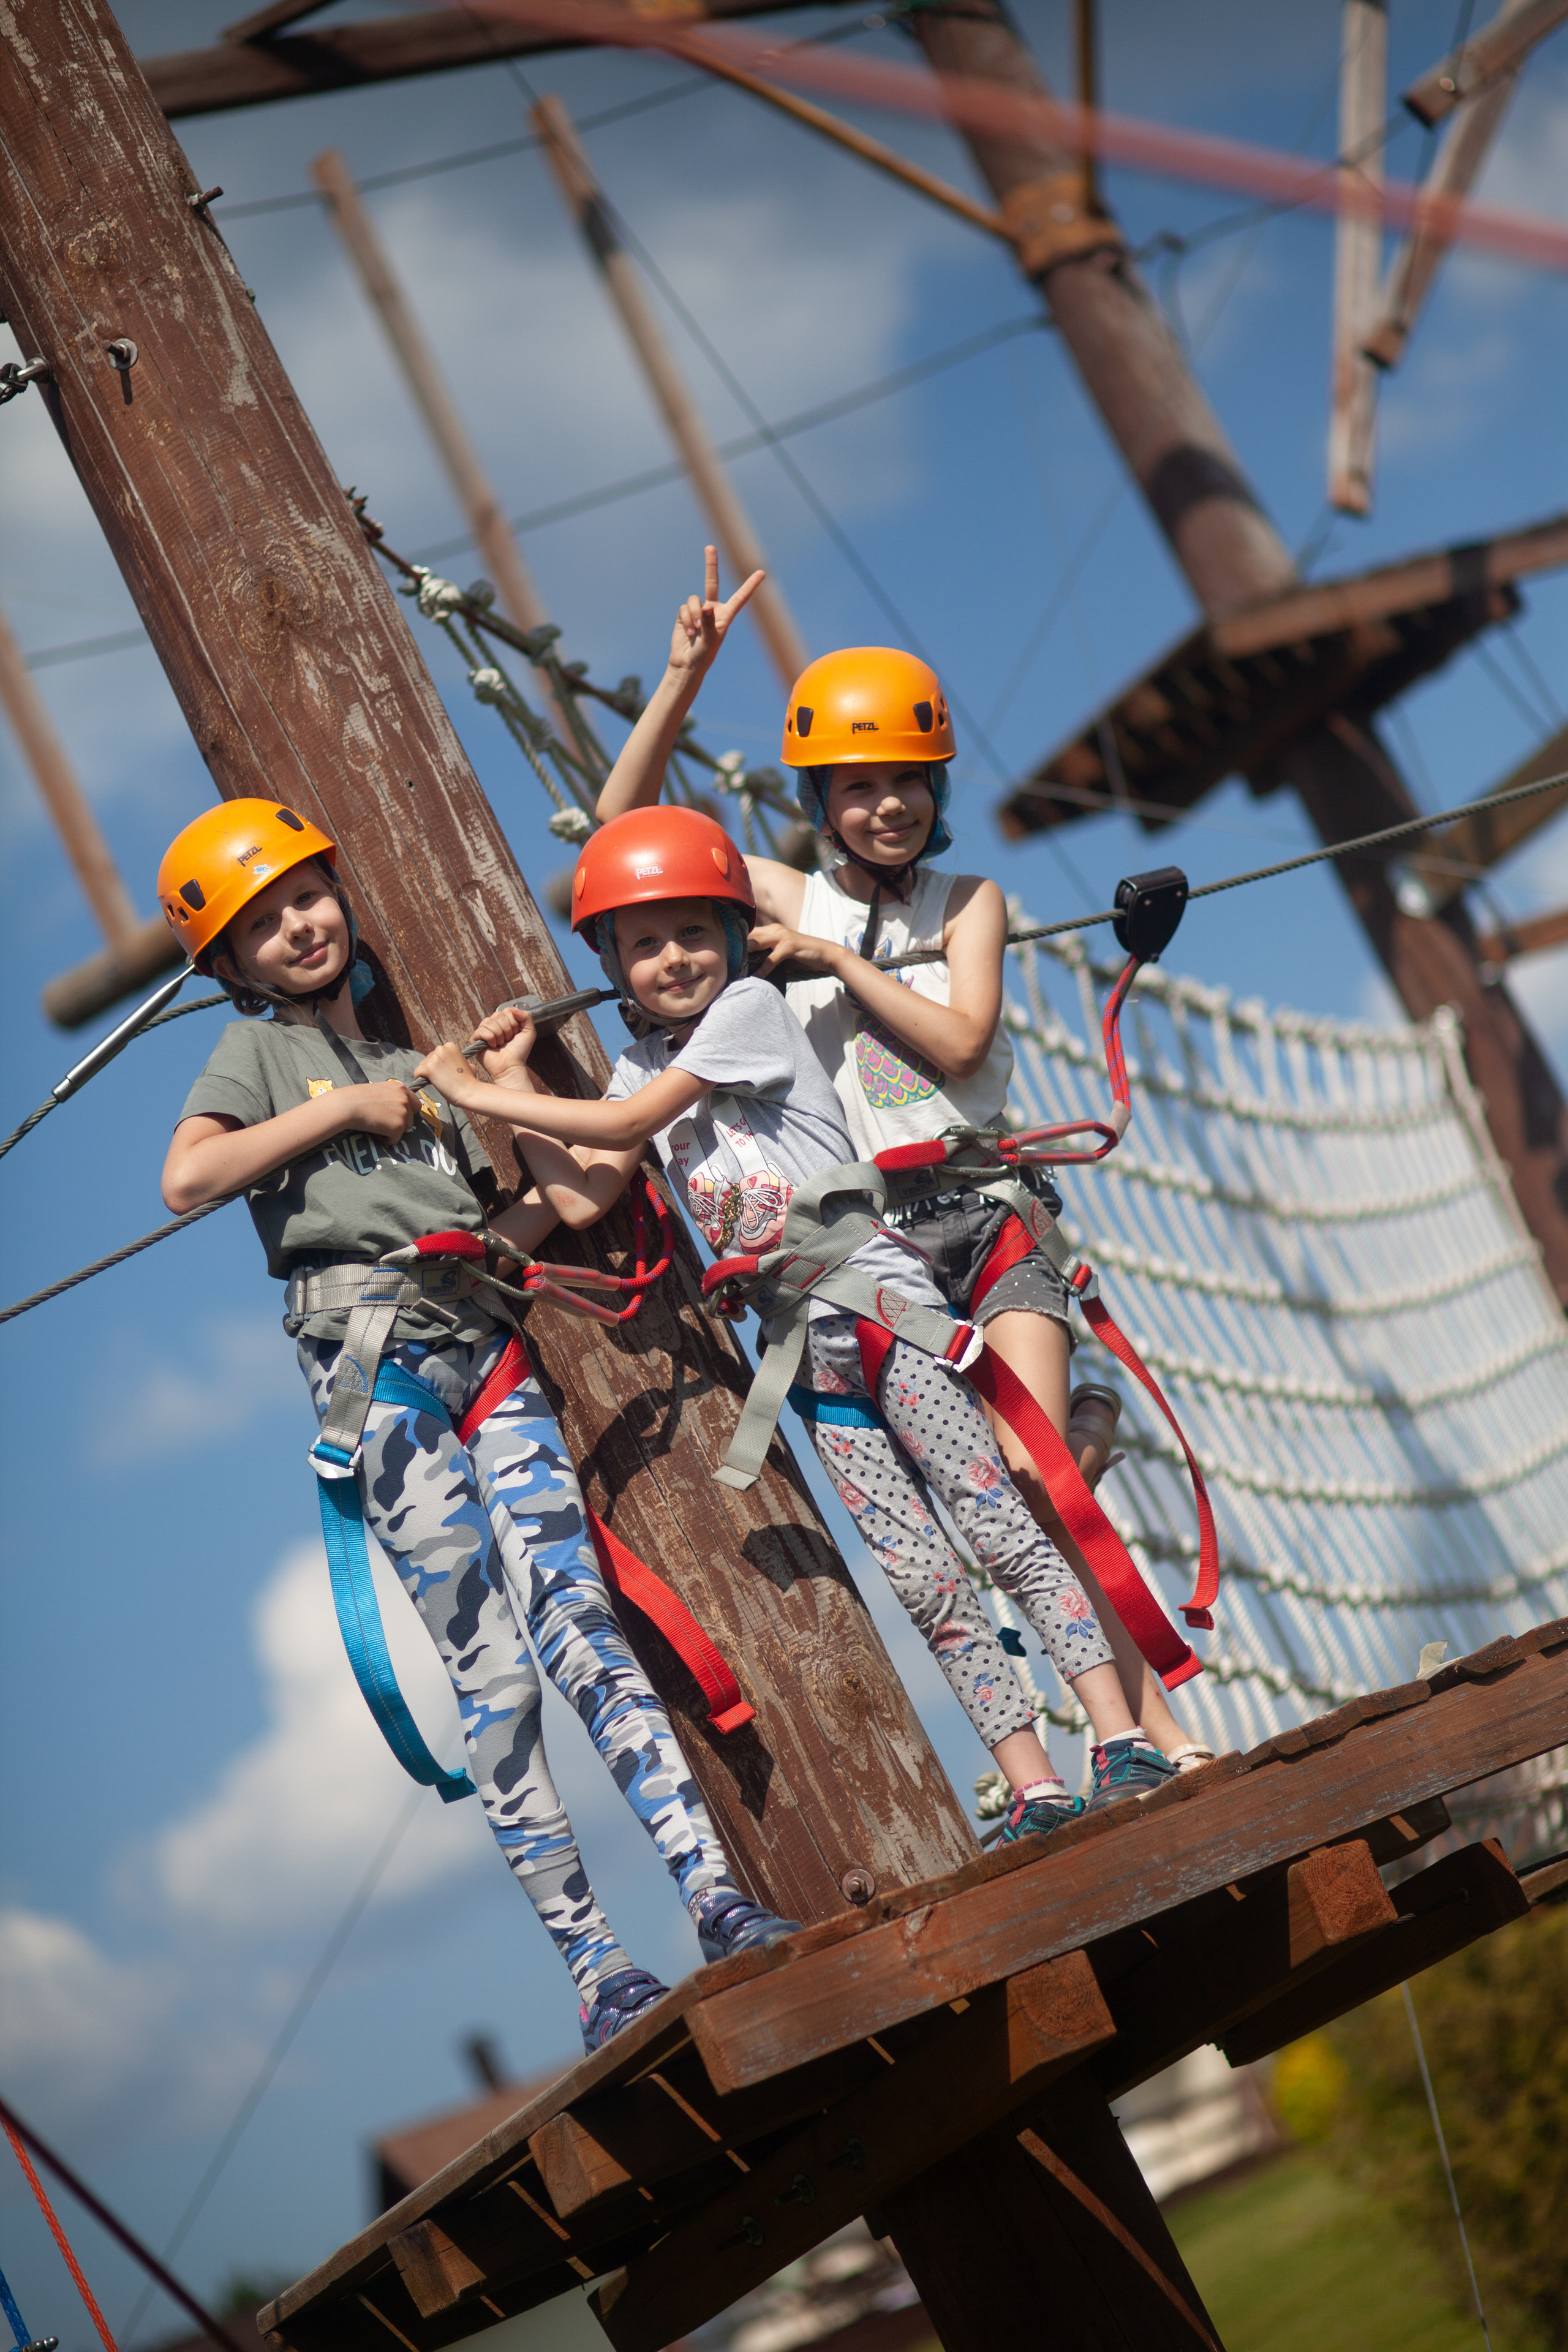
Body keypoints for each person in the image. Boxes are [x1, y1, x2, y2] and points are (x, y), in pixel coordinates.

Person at [156, 799, 796, 2053]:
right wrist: (347, 1110)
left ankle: (714, 1894)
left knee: (581, 1629)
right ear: (230, 967)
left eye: (308, 899)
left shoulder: (417, 1063)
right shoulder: (266, 1061)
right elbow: (186, 1179)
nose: (299, 927)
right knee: (493, 1671)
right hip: (377, 1372)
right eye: (264, 922)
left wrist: (491, 1085)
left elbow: (535, 1220)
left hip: (485, 1346)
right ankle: (597, 1965)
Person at [415, 794, 1180, 1839]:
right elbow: (590, 1189)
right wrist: (508, 1074)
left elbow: (628, 1123)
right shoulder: (643, 1062)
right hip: (801, 1349)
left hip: (877, 1299)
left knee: (992, 1518)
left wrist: (479, 1095)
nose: (675, 959)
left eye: (695, 933)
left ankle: (1120, 1736)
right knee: (920, 1575)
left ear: (735, 937)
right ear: (612, 961)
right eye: (644, 946)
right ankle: (1035, 1782)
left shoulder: (747, 1015)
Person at [593, 552, 1213, 1783]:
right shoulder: (776, 893)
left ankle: (1157, 1736)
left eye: (905, 788)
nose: (885, 808)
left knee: (1033, 1482)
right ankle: (1078, 1704)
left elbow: (960, 1038)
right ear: (820, 797)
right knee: (984, 1502)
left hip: (985, 1215)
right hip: (875, 1242)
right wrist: (679, 679)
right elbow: (629, 830)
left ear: (936, 791)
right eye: (857, 788)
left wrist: (833, 967)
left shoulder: (966, 899)